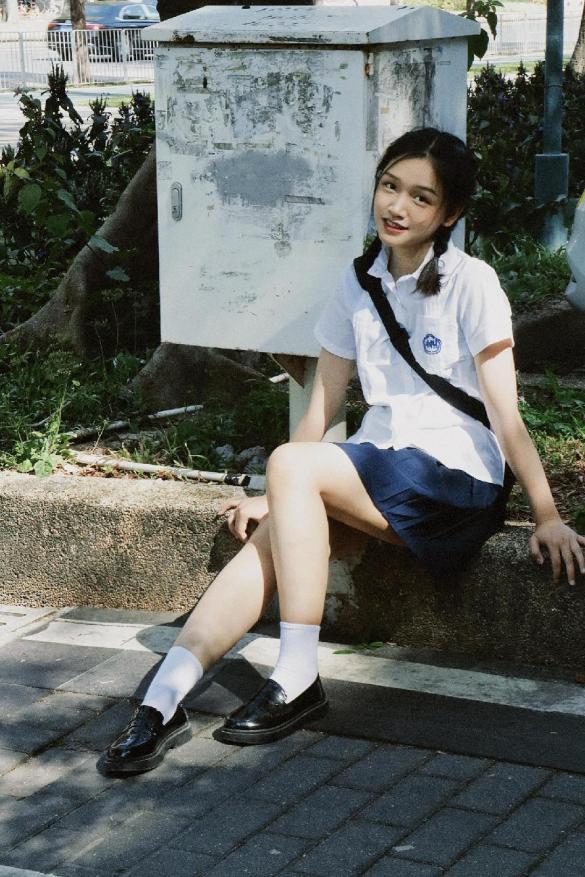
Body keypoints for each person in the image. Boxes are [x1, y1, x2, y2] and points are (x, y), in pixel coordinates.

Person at [102, 127, 585, 775]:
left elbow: (505, 414)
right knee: (270, 535)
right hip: (380, 467)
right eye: (389, 186)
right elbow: (322, 409)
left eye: (420, 197)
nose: (397, 206)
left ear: (449, 214)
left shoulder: (472, 283)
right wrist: (277, 495)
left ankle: (298, 676)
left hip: (455, 481)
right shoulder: (356, 284)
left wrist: (547, 513)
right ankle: (161, 701)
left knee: (289, 469)